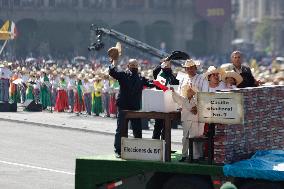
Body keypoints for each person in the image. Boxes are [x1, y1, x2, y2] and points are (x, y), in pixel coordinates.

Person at [108, 48, 153, 157]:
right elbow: (152, 84)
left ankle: (118, 151)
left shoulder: (123, 75)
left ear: (128, 66)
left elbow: (112, 71)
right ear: (137, 68)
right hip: (134, 107)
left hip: (123, 107)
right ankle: (137, 150)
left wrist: (114, 61)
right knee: (137, 130)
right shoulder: (141, 79)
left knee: (120, 130)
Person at [171, 85, 204, 162]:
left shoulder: (196, 101)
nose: (189, 92)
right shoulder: (184, 100)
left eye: (190, 91)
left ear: (193, 93)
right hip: (186, 121)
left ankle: (195, 156)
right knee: (185, 138)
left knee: (194, 138)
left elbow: (198, 109)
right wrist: (173, 91)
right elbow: (177, 98)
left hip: (194, 121)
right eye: (188, 90)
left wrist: (196, 108)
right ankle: (184, 155)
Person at [152, 59, 179, 140]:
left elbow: (176, 84)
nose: (168, 65)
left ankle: (166, 146)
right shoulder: (159, 73)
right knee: (158, 126)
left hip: (170, 104)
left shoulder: (171, 76)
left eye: (169, 64)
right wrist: (163, 65)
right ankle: (156, 146)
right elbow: (155, 71)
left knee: (167, 128)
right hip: (160, 103)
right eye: (166, 64)